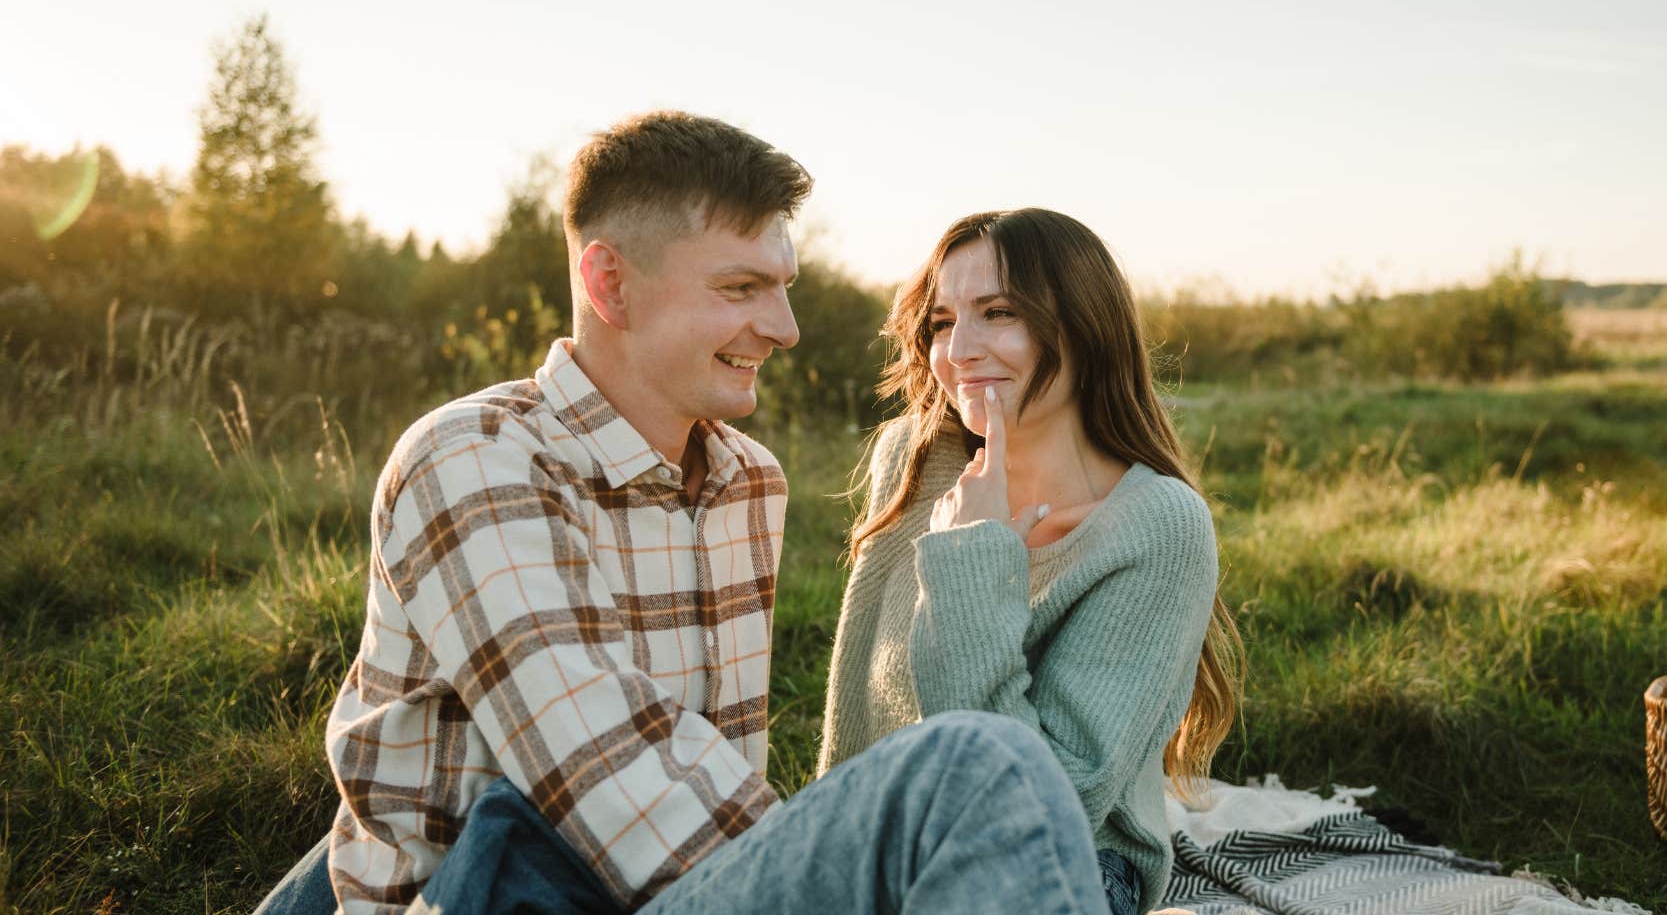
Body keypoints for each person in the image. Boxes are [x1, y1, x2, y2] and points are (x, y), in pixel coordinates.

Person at [256, 114, 1112, 914]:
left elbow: (716, 780)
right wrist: (835, 858)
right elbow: (606, 778)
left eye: (783, 286)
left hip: (661, 888)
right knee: (983, 764)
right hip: (500, 892)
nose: (784, 327)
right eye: (742, 287)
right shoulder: (478, 458)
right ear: (611, 283)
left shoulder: (747, 480)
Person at [816, 208, 1244, 915]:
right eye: (943, 322)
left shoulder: (1157, 526)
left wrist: (970, 565)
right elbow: (856, 701)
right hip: (883, 850)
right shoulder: (914, 460)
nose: (958, 351)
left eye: (999, 313)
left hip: (1059, 867)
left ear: (1084, 328)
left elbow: (1033, 802)